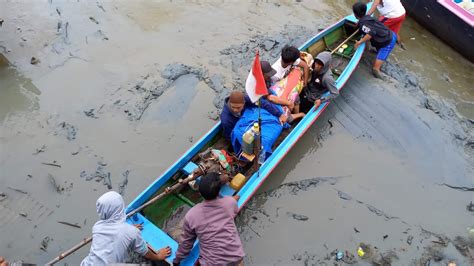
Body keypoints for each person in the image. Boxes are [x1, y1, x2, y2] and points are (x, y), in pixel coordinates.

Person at [81, 191, 171, 265]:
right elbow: (145, 252)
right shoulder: (132, 232)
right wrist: (158, 256)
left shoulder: (97, 227)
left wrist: (128, 229)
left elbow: (114, 233)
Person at [173, 172, 244, 265]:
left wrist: (176, 261)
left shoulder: (191, 215)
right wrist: (234, 198)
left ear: (200, 193)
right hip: (236, 257)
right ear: (219, 191)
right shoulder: (229, 203)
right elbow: (234, 202)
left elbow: (186, 244)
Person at [353, 2, 397, 79]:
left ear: (355, 14)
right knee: (371, 41)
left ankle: (386, 80)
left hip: (387, 42)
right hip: (390, 34)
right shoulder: (368, 17)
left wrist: (359, 42)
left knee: (375, 70)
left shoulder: (363, 24)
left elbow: (371, 33)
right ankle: (377, 52)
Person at [220, 90, 286, 140]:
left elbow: (262, 103)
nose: (235, 110)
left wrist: (279, 114)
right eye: (233, 107)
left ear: (244, 103)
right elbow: (229, 136)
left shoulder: (246, 98)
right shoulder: (226, 119)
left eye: (238, 107)